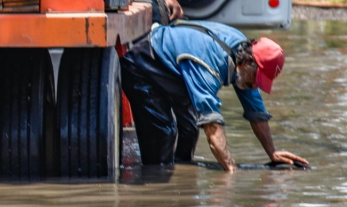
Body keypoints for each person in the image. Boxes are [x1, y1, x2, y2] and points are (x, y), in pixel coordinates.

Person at [121, 20, 309, 172]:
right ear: (248, 61)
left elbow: (257, 113)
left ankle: (181, 174)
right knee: (164, 133)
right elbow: (212, 125)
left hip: (177, 72)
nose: (254, 86)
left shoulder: (242, 55)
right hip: (143, 65)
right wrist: (230, 171)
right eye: (256, 79)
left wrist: (272, 152)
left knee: (189, 128)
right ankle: (156, 182)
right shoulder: (210, 63)